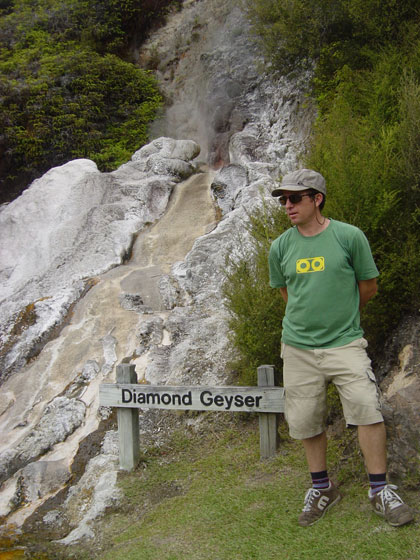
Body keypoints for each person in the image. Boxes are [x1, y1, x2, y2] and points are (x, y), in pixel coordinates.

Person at [268, 169, 413, 527]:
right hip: (298, 348)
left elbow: (369, 286)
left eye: (295, 198)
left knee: (367, 408)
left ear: (317, 199)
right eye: (283, 200)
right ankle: (322, 488)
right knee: (305, 420)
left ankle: (379, 490)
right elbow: (287, 294)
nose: (288, 206)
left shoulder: (349, 237)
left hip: (345, 343)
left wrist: (343, 318)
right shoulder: (281, 246)